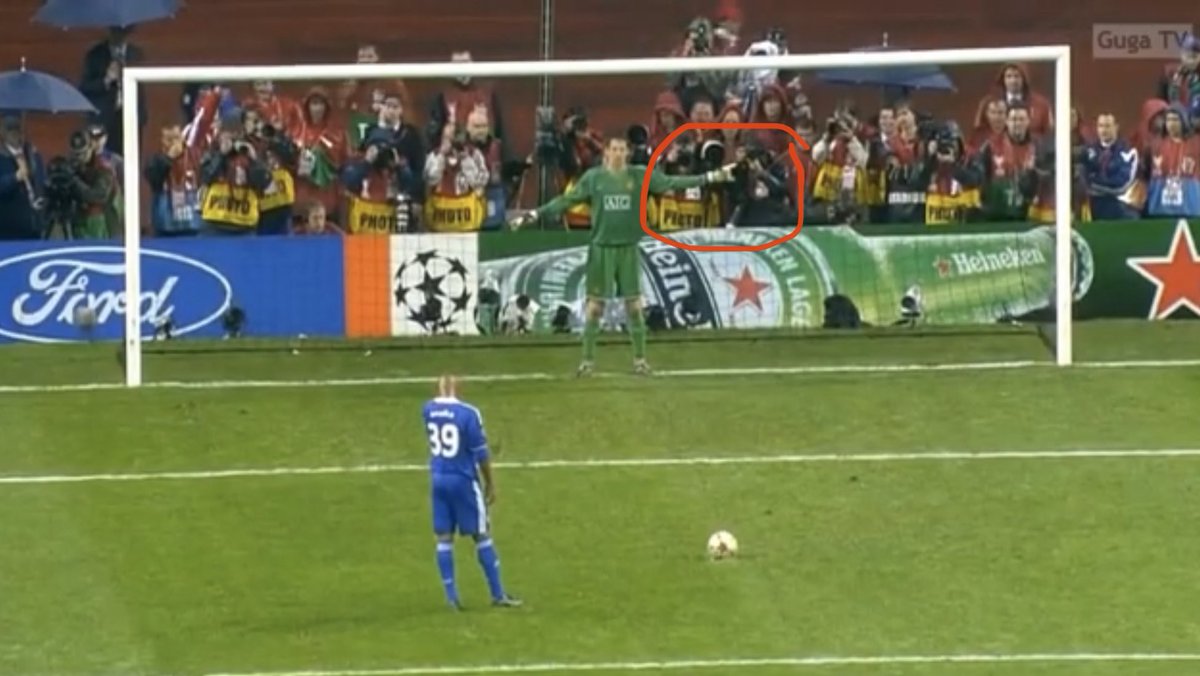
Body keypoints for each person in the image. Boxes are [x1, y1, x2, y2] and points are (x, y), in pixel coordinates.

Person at [510, 136, 735, 376]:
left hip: (628, 248)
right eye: (614, 149)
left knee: (635, 307)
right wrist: (535, 214)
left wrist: (711, 177)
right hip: (601, 249)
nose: (618, 153)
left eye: (622, 149)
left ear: (627, 153)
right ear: (606, 153)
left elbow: (672, 181)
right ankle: (587, 362)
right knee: (595, 308)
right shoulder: (594, 178)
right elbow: (566, 200)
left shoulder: (638, 176)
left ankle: (640, 361)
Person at [424, 375, 521, 610]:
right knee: (481, 534)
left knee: (444, 538)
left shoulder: (428, 409)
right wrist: (490, 483)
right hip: (463, 479)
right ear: (459, 389)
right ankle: (498, 594)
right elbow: (481, 453)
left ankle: (451, 597)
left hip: (438, 478)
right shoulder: (468, 413)